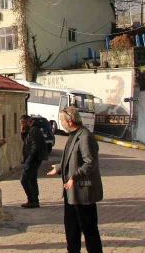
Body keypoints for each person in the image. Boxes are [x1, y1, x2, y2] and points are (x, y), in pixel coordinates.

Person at [47, 106, 104, 253]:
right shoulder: (73, 135)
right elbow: (71, 158)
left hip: (83, 192)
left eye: (62, 120)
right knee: (71, 230)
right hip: (71, 192)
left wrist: (74, 176)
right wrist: (59, 167)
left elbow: (90, 162)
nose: (61, 123)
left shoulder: (85, 137)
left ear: (70, 121)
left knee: (89, 230)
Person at [20, 114, 46, 208]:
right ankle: (34, 200)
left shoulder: (34, 130)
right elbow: (27, 142)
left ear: (28, 122)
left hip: (33, 159)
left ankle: (32, 200)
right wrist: (23, 133)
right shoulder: (31, 130)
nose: (22, 125)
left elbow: (35, 147)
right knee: (32, 179)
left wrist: (29, 161)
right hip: (32, 159)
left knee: (24, 180)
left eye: (23, 123)